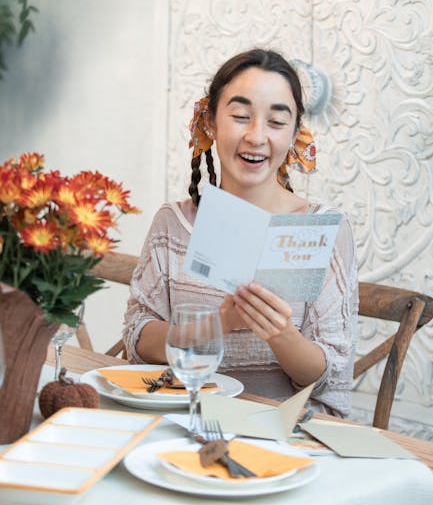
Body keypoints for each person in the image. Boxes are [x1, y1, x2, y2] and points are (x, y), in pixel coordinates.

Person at [123, 49, 358, 416]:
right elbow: (139, 338)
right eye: (240, 116)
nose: (256, 136)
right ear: (210, 123)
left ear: (297, 134)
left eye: (276, 122)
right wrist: (221, 323)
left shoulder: (323, 229)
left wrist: (280, 333)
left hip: (279, 432)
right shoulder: (174, 223)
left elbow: (330, 371)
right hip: (183, 418)